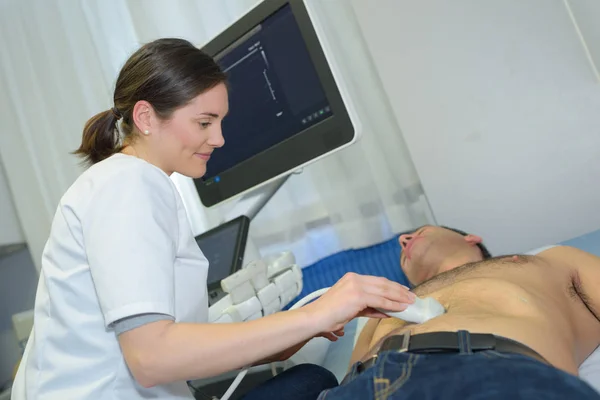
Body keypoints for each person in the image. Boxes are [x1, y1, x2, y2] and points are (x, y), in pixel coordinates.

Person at [11, 38, 415, 400]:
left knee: (307, 378)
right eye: (204, 123)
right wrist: (316, 314)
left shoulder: (130, 184)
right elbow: (152, 358)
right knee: (311, 381)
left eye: (220, 122)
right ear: (146, 117)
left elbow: (183, 350)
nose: (219, 139)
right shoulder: (127, 185)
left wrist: (302, 326)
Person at [316, 225, 600, 399]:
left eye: (420, 231)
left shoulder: (546, 261)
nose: (403, 239)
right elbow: (351, 371)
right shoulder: (385, 305)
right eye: (402, 251)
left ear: (471, 238)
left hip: (491, 372)